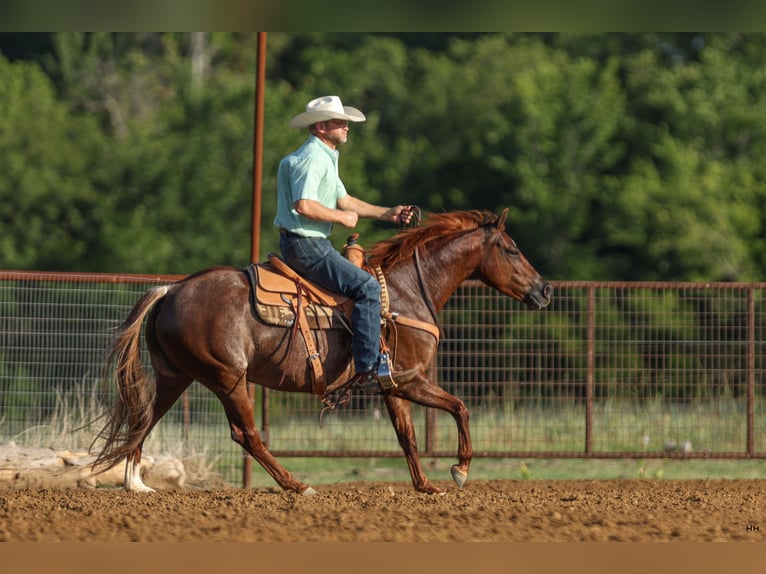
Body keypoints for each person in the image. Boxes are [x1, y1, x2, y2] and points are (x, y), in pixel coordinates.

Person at [274, 95, 413, 393]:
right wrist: (341, 218)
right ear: (322, 126)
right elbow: (304, 205)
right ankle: (369, 368)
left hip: (306, 243)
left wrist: (387, 213)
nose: (347, 126)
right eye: (340, 121)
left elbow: (345, 200)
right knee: (367, 287)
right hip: (306, 246)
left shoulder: (324, 155)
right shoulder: (313, 158)